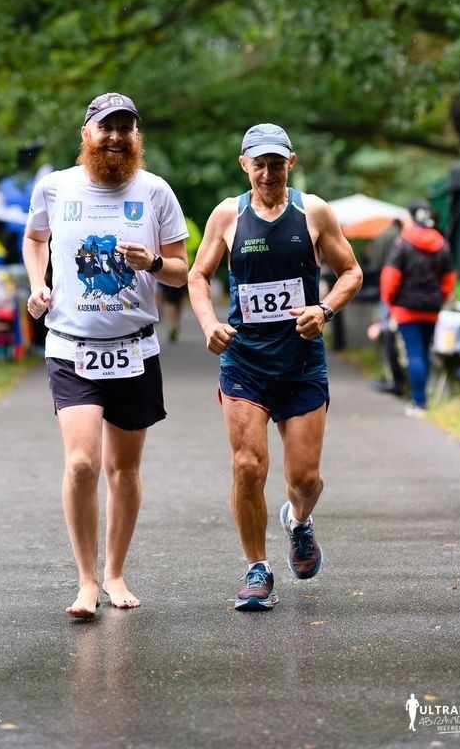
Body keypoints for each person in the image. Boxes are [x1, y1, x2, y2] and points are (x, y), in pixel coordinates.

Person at [23, 92, 188, 618]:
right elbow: (34, 240)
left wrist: (155, 261)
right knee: (81, 464)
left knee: (123, 470)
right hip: (71, 346)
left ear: (136, 135)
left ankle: (115, 572)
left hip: (134, 348)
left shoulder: (156, 191)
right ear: (86, 132)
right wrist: (36, 284)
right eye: (105, 128)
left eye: (125, 128)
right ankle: (86, 580)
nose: (115, 137)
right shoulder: (54, 187)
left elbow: (184, 269)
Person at [188, 123, 363, 612]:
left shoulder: (314, 212)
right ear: (244, 164)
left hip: (302, 361)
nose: (268, 172)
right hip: (245, 360)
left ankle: (299, 522)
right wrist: (208, 323)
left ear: (292, 162)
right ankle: (256, 568)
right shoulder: (228, 215)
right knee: (247, 466)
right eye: (258, 163)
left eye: (276, 163)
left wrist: (323, 309)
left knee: (305, 481)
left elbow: (351, 271)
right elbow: (198, 275)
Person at [380, 199, 456, 417]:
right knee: (424, 351)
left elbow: (390, 276)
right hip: (432, 308)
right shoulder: (442, 243)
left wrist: (390, 300)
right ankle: (423, 396)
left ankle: (419, 401)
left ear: (412, 217)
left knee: (414, 352)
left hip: (406, 308)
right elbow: (449, 278)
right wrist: (439, 297)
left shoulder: (403, 242)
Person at [368, 218, 406, 396]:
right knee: (391, 334)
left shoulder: (381, 236)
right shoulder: (399, 237)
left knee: (385, 331)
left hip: (382, 287)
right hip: (394, 290)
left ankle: (390, 375)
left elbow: (375, 261)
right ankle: (395, 378)